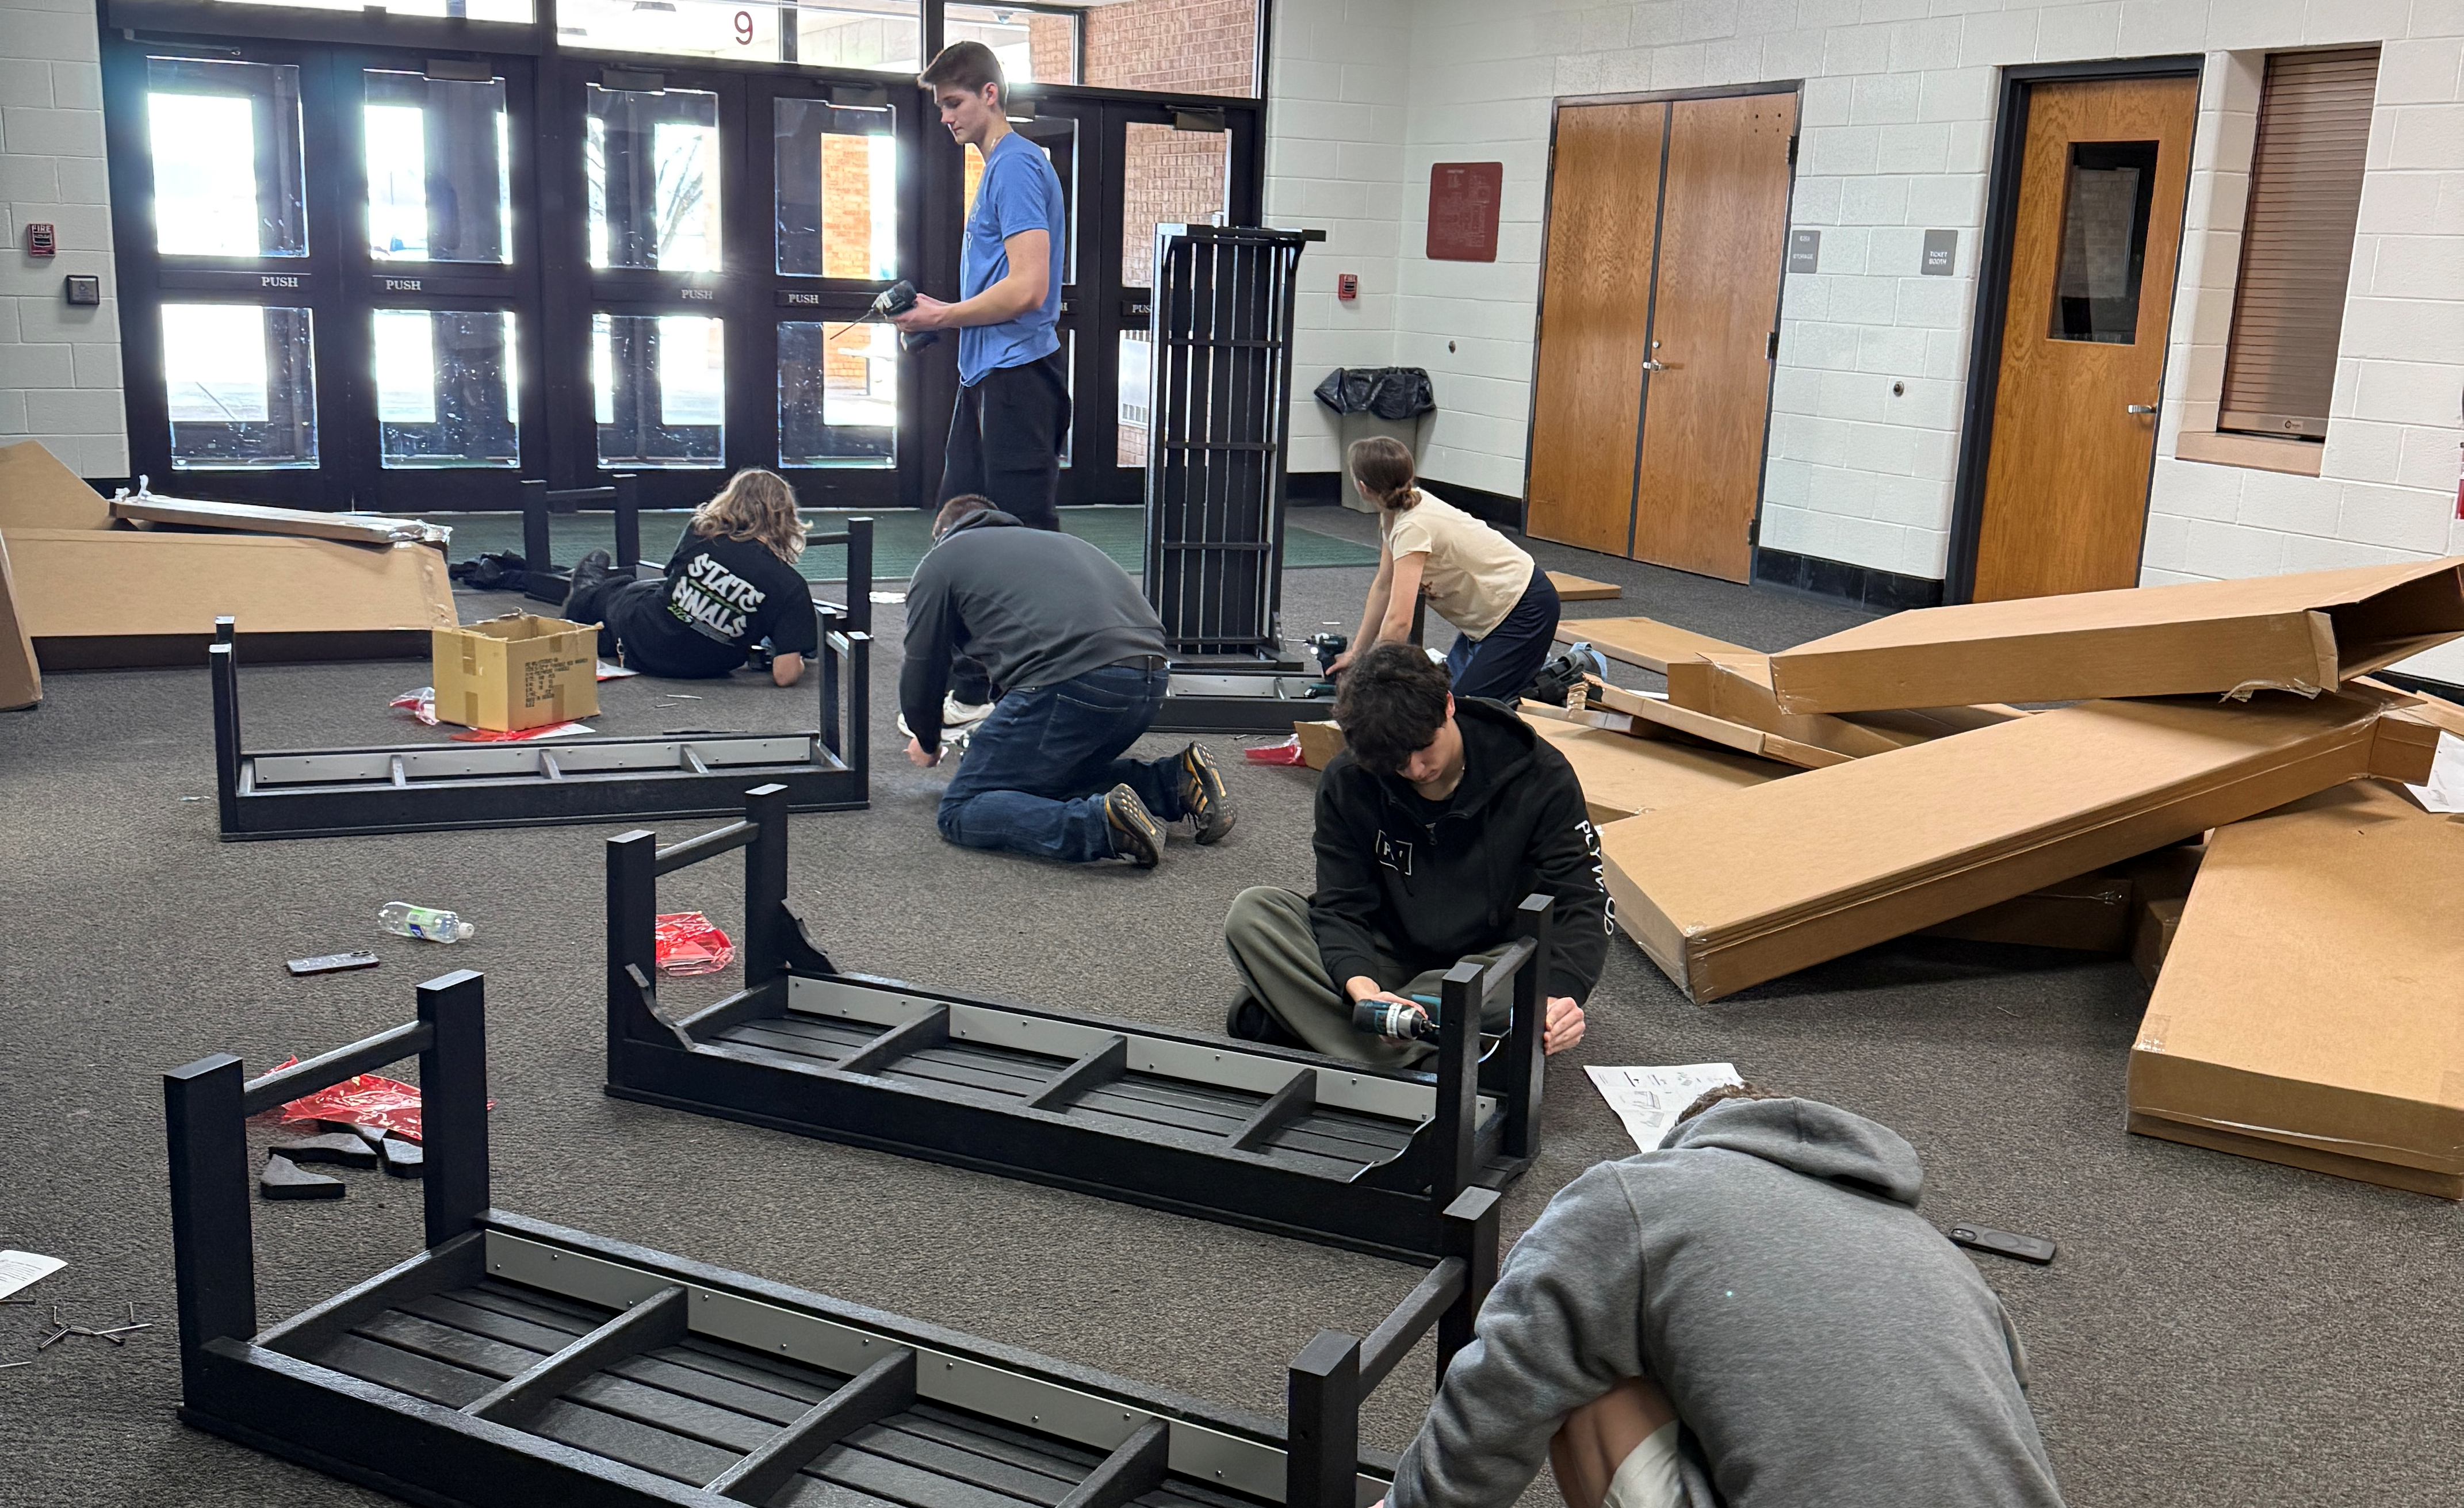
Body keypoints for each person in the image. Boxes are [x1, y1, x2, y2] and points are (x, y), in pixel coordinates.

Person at [1379, 1083, 2068, 1508]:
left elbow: (1506, 1383)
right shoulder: (1934, 1252)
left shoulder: (1643, 1193)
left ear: (1689, 1141)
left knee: (1586, 1371)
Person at [1221, 642, 1602, 1066]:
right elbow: (1343, 906)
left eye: (1424, 747)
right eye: (1398, 764)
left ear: (1448, 705)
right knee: (1253, 914)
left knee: (1518, 991)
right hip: (1388, 955)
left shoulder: (1540, 776)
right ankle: (1439, 1051)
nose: (1417, 770)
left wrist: (1561, 996)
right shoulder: (1349, 780)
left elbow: (1583, 900)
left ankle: (1331, 1026)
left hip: (1488, 961)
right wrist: (1366, 994)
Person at [902, 494, 1234, 868]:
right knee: (1046, 779)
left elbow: (922, 667)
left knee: (963, 807)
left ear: (944, 532)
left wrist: (927, 739)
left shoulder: (942, 560)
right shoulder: (1052, 543)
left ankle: (1099, 825)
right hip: (1152, 679)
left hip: (1074, 682)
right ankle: (1173, 782)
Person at [893, 39, 1072, 728]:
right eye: (941, 106)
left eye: (954, 103)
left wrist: (947, 313)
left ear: (991, 95)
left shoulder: (1019, 166)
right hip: (988, 374)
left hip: (1019, 380)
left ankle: (1038, 694)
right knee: (962, 528)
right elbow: (1001, 288)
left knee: (1024, 540)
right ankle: (975, 689)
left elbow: (1028, 288)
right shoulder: (999, 169)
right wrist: (944, 321)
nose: (946, 117)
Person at [1333, 436, 1562, 702]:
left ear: (1362, 487)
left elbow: (1399, 621)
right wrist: (1357, 653)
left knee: (1464, 710)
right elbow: (1385, 585)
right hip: (1490, 618)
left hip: (1524, 608)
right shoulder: (1394, 513)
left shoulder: (1412, 526)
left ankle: (1546, 681)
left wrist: (1372, 680)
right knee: (1438, 699)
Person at [562, 469, 815, 685]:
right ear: (786, 516)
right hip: (704, 670)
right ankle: (604, 639)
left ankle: (583, 596)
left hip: (648, 638)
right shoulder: (790, 586)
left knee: (623, 589)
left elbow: (672, 575)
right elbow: (785, 675)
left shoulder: (702, 532)